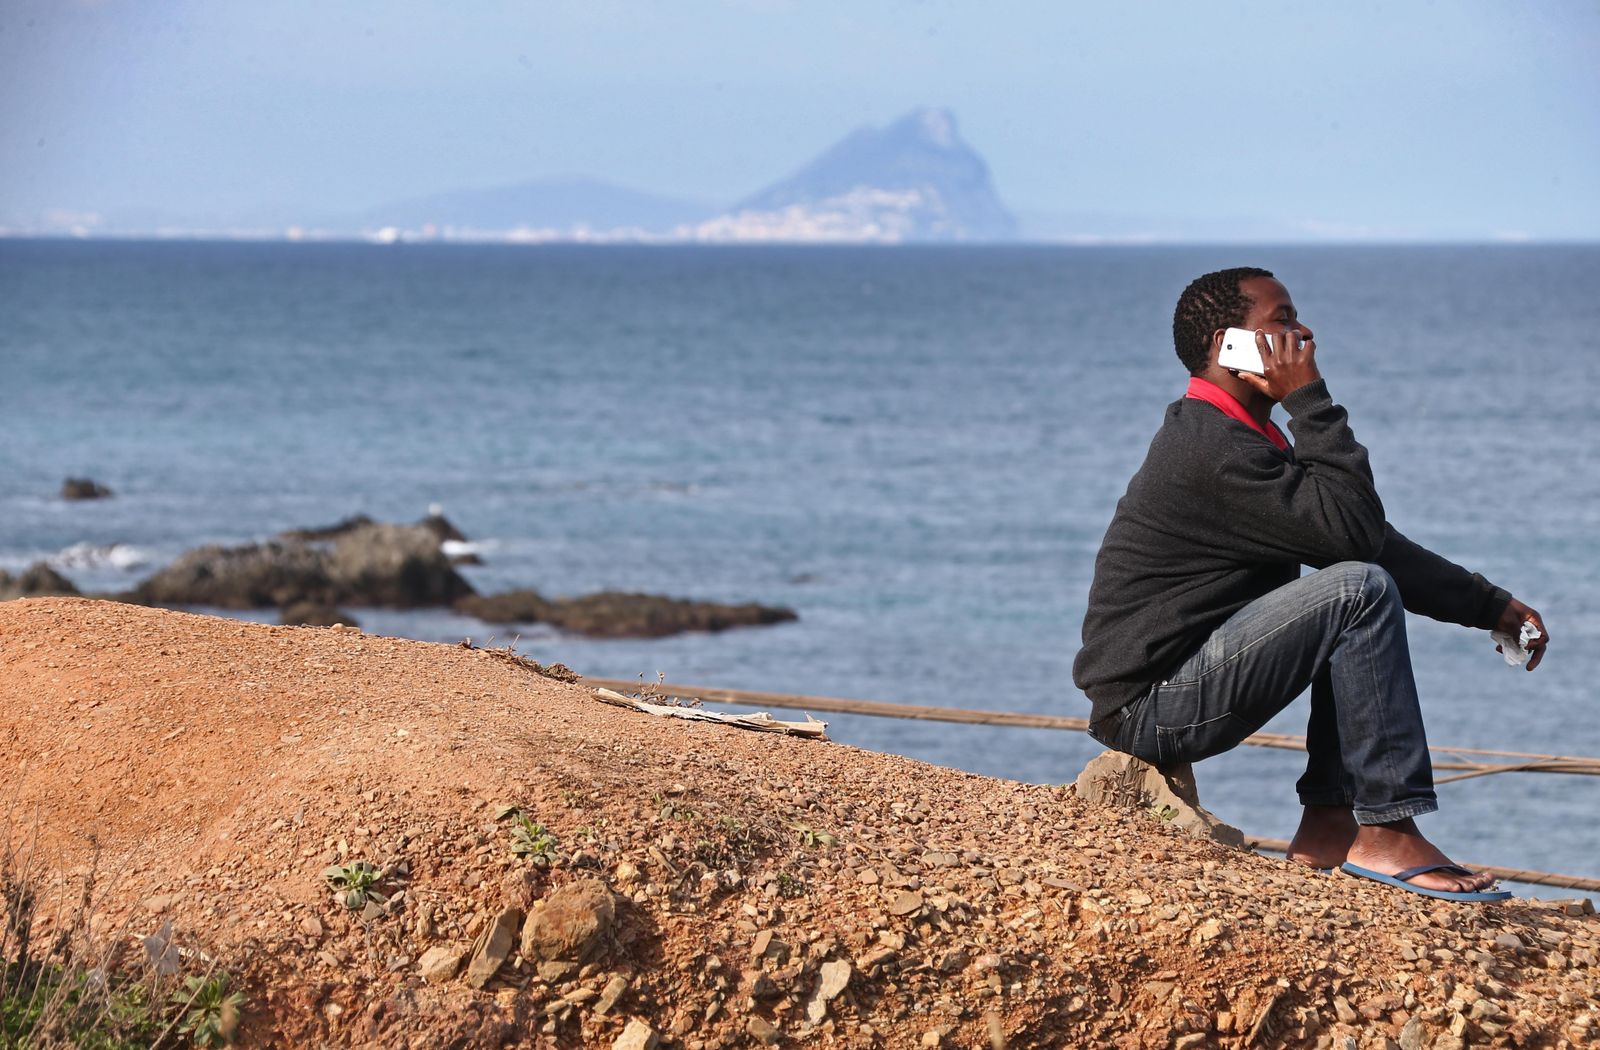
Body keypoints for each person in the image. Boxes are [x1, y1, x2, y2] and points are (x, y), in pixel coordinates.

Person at [1071, 267, 1548, 901]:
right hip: (1153, 708)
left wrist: (1489, 606)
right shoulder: (1212, 450)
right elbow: (1353, 543)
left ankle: (1329, 823)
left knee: (1352, 587)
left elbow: (1367, 538)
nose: (1305, 333)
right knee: (1356, 591)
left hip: (1179, 687)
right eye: (1283, 321)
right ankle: (1386, 831)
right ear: (1227, 346)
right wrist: (1309, 399)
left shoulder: (1241, 438)